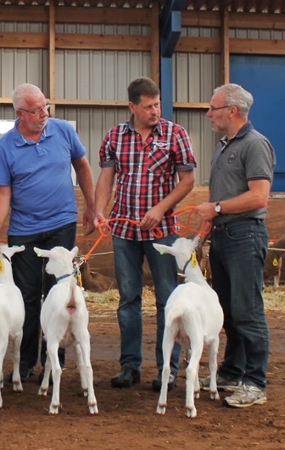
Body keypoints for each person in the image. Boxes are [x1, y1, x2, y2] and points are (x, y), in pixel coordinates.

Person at [0, 83, 96, 383]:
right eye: (37, 110)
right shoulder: (6, 146)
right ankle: (24, 362)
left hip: (62, 225)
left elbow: (82, 167)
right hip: (25, 231)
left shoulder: (63, 131)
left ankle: (53, 361)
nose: (45, 113)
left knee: (59, 293)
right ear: (20, 113)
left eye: (46, 106)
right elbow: (2, 192)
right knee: (28, 297)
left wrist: (91, 207)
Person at [94, 77, 196, 391]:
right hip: (124, 231)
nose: (155, 111)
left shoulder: (175, 134)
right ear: (132, 106)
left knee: (168, 299)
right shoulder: (115, 136)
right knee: (128, 299)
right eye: (149, 106)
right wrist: (99, 210)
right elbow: (107, 178)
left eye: (157, 105)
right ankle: (129, 366)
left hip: (163, 232)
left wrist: (160, 209)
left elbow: (188, 180)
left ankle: (168, 369)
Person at [195, 83, 274, 408]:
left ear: (232, 111)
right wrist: (203, 234)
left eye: (213, 108)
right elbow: (219, 197)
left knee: (247, 310)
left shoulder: (255, 145)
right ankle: (232, 371)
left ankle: (255, 382)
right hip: (223, 236)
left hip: (244, 236)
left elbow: (259, 196)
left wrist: (216, 209)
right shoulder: (223, 146)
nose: (209, 114)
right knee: (228, 310)